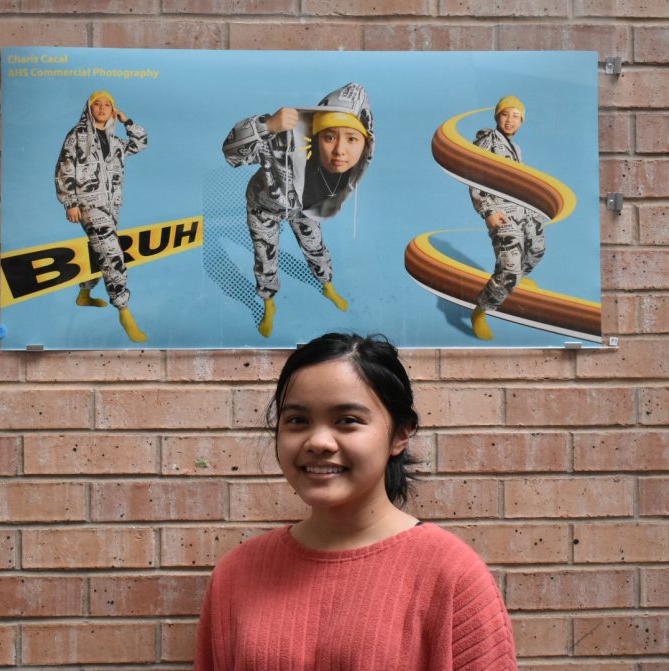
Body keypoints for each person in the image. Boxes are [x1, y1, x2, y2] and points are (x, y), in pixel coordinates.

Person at [195, 332, 517, 670]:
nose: (318, 441)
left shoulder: (452, 575)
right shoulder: (237, 573)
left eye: (347, 421)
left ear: (400, 434)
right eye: (297, 421)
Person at [223, 83, 374, 337]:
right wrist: (267, 125)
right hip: (264, 206)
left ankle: (327, 285)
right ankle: (268, 303)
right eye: (329, 136)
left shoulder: (352, 165)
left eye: (351, 138)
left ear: (365, 143)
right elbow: (231, 153)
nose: (339, 150)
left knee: (315, 246)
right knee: (265, 257)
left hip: (304, 208)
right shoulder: (283, 138)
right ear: (316, 135)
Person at [55, 90, 148, 343]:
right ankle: (124, 309)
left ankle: (84, 294)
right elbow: (65, 167)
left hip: (112, 206)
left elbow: (141, 142)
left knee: (99, 250)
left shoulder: (116, 142)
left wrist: (127, 120)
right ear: (89, 107)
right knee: (111, 253)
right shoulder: (77, 135)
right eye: (98, 103)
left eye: (108, 104)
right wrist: (70, 203)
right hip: (88, 205)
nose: (103, 107)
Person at [469, 95, 547, 341]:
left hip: (524, 210)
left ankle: (512, 283)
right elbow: (473, 176)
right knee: (510, 267)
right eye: (505, 114)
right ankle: (482, 310)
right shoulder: (486, 140)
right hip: (502, 213)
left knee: (536, 250)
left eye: (516, 116)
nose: (510, 120)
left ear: (522, 121)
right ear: (496, 116)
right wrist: (488, 212)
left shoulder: (516, 148)